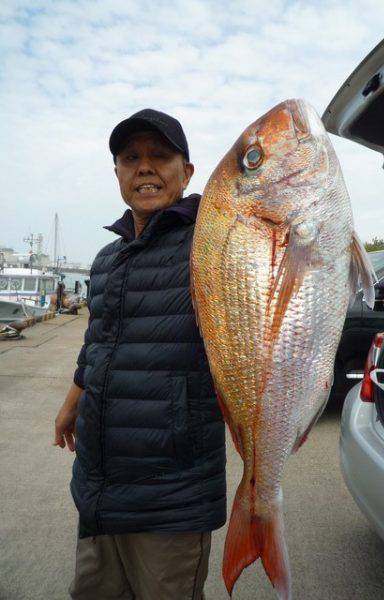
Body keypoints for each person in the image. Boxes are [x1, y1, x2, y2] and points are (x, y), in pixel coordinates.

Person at [53, 109, 227, 600]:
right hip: (99, 483)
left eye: (160, 156)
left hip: (170, 490)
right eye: (131, 158)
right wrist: (73, 400)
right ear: (117, 174)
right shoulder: (108, 259)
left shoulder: (209, 245)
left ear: (187, 172)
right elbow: (98, 342)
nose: (144, 167)